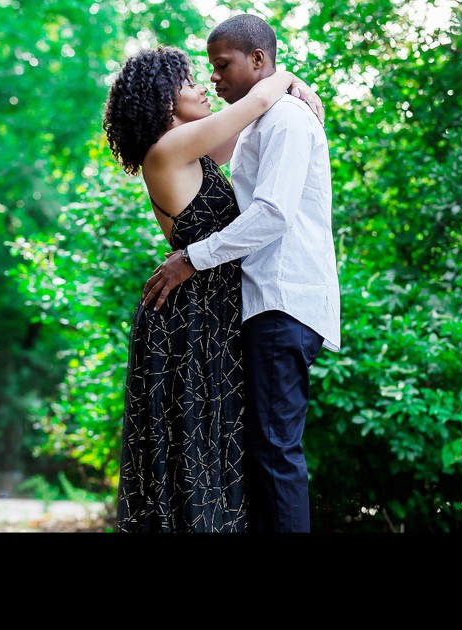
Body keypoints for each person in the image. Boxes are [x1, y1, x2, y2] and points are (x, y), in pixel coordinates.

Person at [103, 44, 323, 532]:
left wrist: (285, 89)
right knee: (195, 452)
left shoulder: (193, 149)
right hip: (188, 319)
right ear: (163, 99)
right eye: (188, 82)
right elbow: (256, 104)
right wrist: (286, 77)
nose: (203, 85)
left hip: (210, 312)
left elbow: (245, 128)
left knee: (211, 448)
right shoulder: (168, 150)